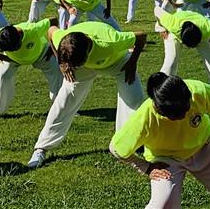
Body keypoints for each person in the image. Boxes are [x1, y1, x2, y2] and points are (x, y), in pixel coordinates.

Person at [110, 72, 210, 209]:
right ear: (159, 109)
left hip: (206, 145)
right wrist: (146, 167)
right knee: (162, 205)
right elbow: (115, 148)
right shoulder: (144, 119)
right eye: (177, 114)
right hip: (167, 159)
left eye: (186, 109)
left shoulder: (196, 91)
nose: (184, 116)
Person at [27, 20, 147, 168]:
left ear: (86, 54)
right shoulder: (63, 39)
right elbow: (51, 31)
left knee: (134, 99)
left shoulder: (110, 40)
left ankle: (126, 144)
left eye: (75, 64)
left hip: (117, 61)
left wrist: (132, 62)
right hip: (84, 64)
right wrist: (61, 62)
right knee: (64, 101)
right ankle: (41, 148)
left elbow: (141, 36)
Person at [0, 18, 62, 123]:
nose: (15, 50)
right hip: (12, 59)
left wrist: (52, 46)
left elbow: (53, 21)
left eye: (16, 47)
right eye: (11, 49)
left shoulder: (32, 29)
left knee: (57, 70)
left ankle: (62, 108)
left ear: (19, 35)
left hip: (41, 53)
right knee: (2, 76)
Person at [155, 6, 210, 107]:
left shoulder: (209, 27)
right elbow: (156, 9)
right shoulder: (171, 22)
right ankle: (160, 96)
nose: (192, 49)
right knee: (170, 63)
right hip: (174, 33)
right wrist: (160, 27)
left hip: (199, 31)